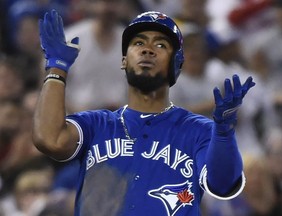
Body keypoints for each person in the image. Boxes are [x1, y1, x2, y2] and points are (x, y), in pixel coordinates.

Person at [33, 10, 255, 216]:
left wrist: (224, 134)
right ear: (124, 60)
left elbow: (223, 185)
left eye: (160, 45)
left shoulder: (199, 130)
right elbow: (49, 139)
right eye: (138, 43)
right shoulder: (97, 124)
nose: (147, 49)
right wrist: (57, 67)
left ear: (176, 64)